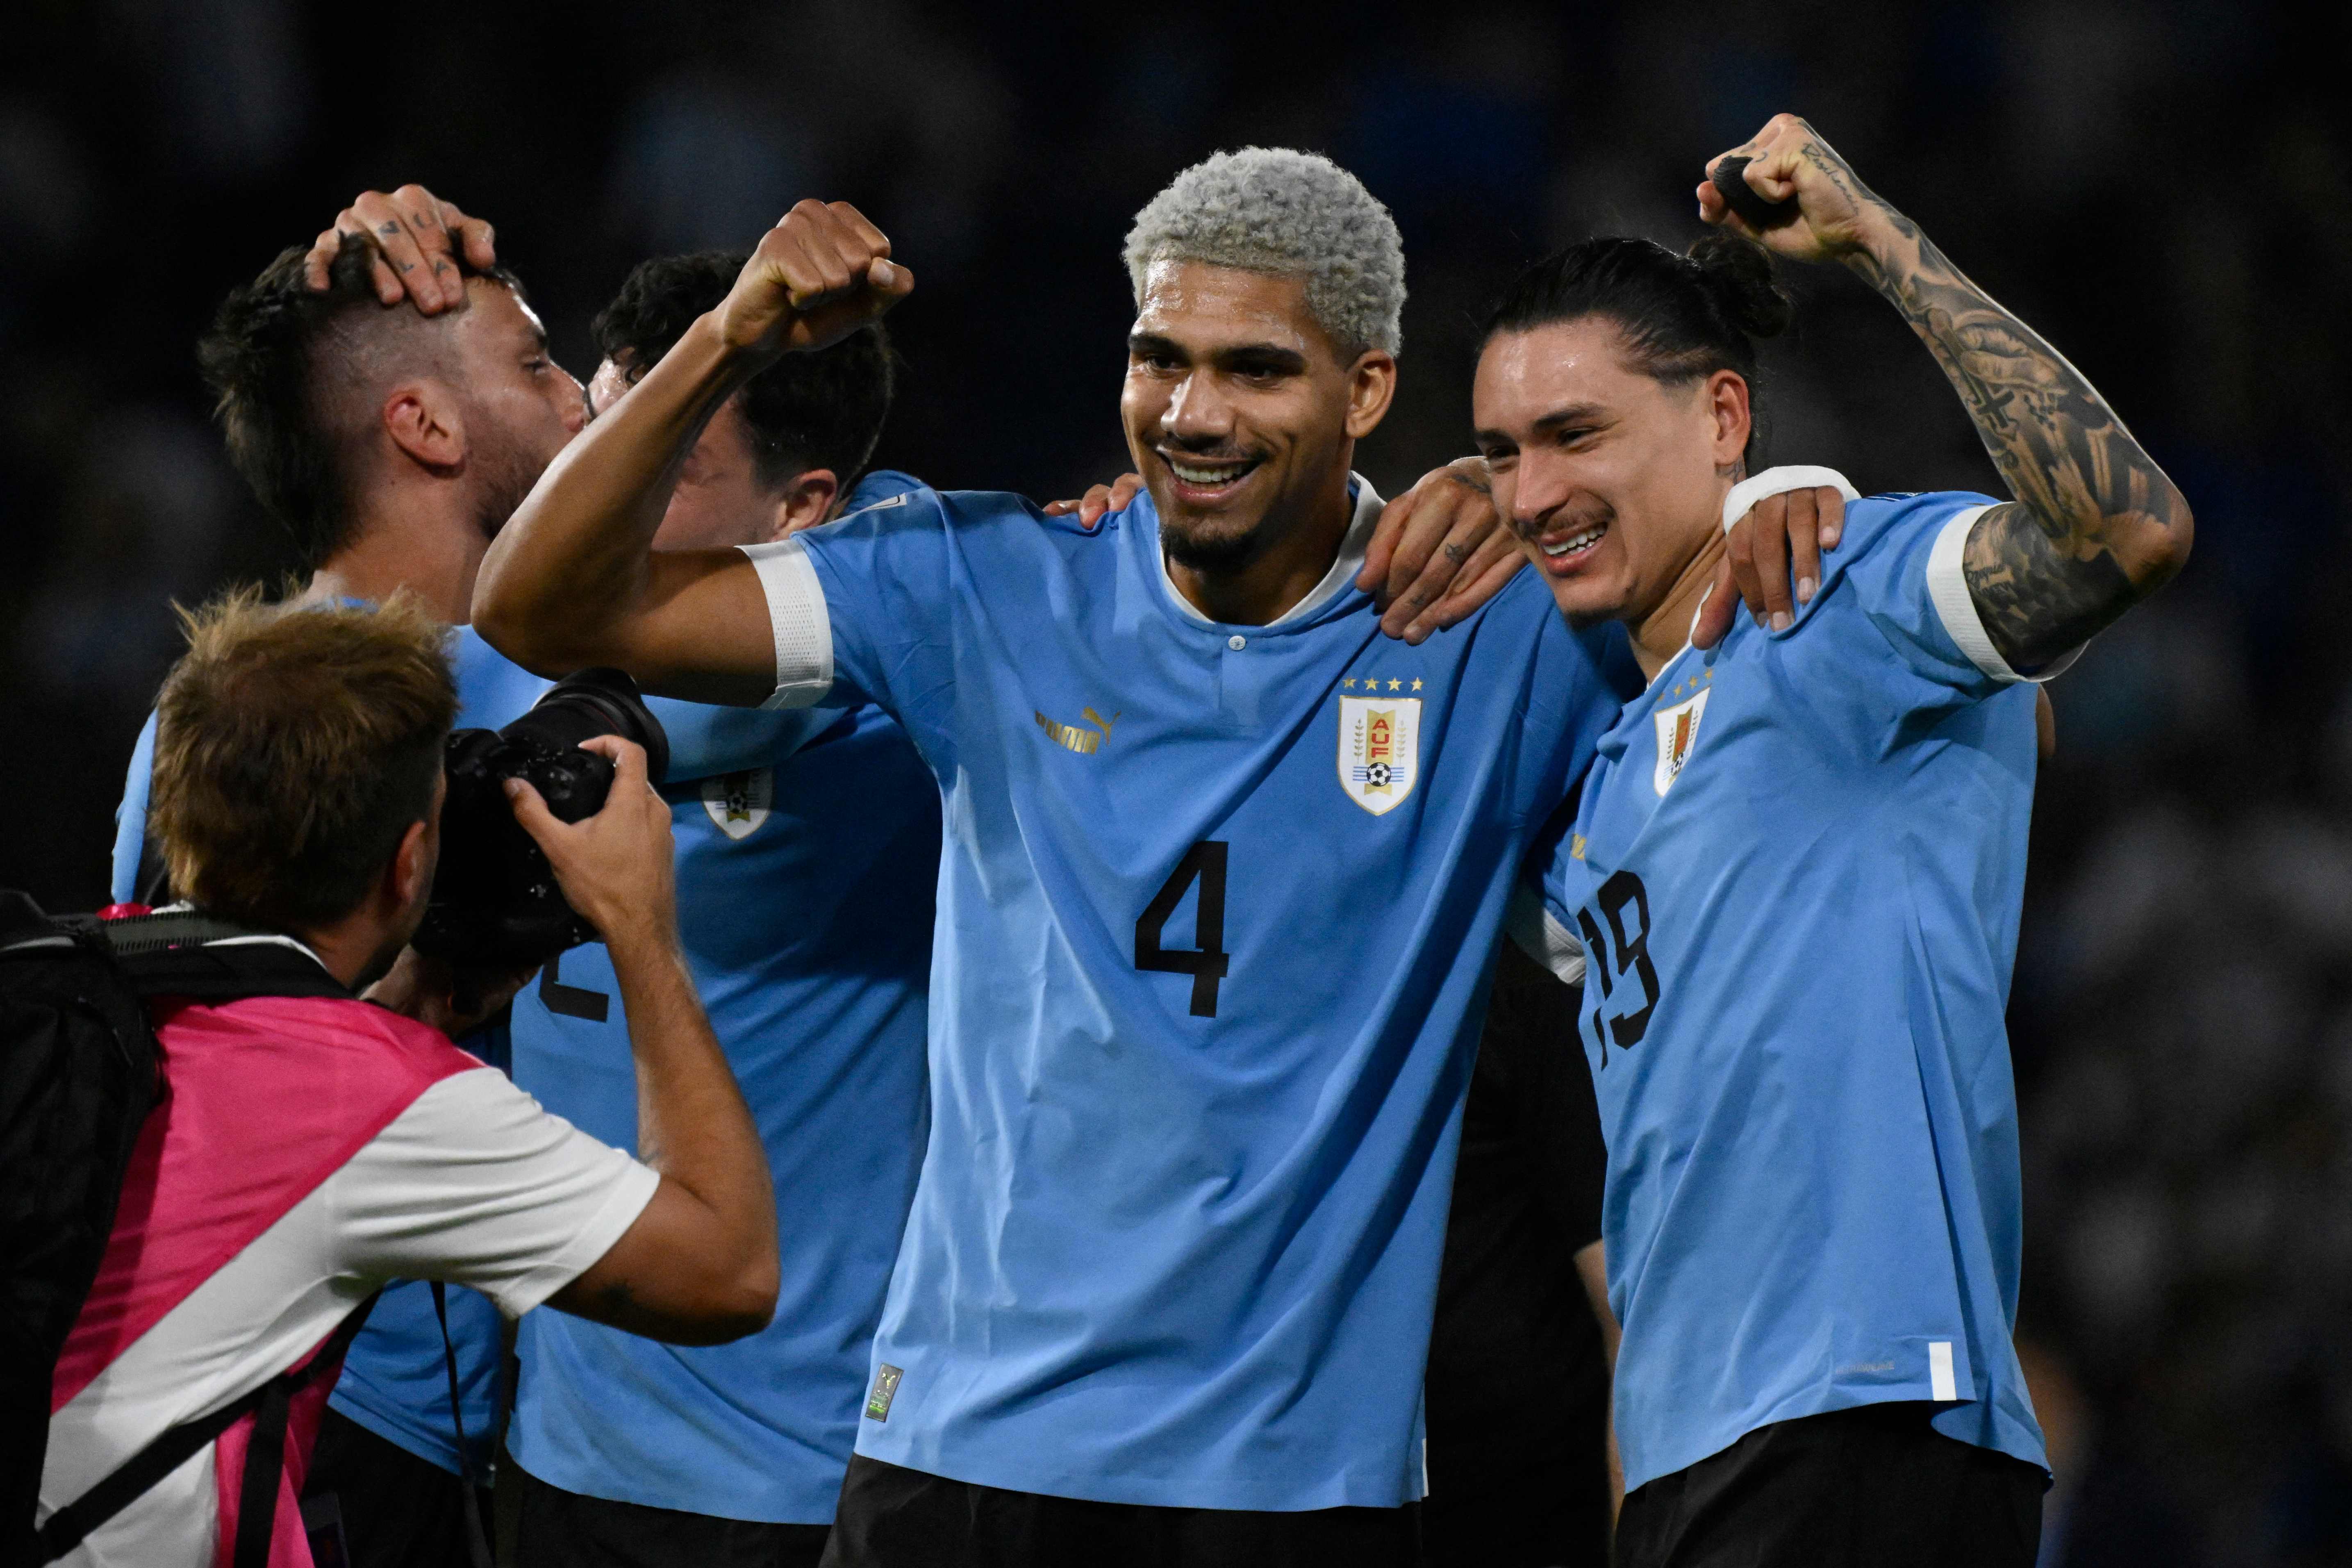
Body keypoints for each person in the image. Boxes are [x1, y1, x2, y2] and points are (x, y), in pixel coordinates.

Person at [469, 150, 1842, 1563]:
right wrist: (729, 337)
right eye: (1156, 359)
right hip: (960, 1456)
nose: (1190, 412)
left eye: (1254, 368)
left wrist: (1782, 490)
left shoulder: (1497, 627)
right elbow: (536, 604)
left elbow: (1858, 681)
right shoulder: (983, 582)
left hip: (1290, 1491)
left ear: (1365, 390)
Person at [1468, 114, 2190, 1564]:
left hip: (1863, 1412)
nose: (1529, 489)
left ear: (1723, 418)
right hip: (1684, 1456)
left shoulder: (1832, 601)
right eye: (1496, 450)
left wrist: (1873, 239)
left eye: (1574, 434)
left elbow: (2123, 533)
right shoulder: (1590, 792)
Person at [43, 592, 778, 1567]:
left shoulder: (67, 983)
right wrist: (639, 926)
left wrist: (404, 1005)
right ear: (408, 863)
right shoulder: (385, 1102)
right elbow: (726, 1270)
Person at [1420, 936, 1618, 1567]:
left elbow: (1630, 1323)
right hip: (1350, 1509)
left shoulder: (1517, 994)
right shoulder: (1283, 1007)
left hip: (1536, 1521)